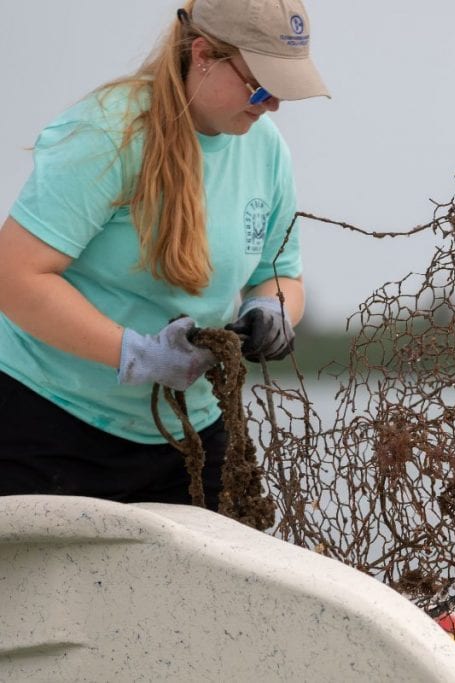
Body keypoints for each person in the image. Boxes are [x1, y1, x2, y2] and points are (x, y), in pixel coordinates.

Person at [0, 0, 329, 510]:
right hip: (47, 423)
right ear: (203, 54)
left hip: (189, 435)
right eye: (261, 85)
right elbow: (16, 277)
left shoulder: (265, 148)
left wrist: (274, 310)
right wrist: (136, 354)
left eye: (283, 90)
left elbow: (280, 274)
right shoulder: (109, 133)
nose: (272, 105)